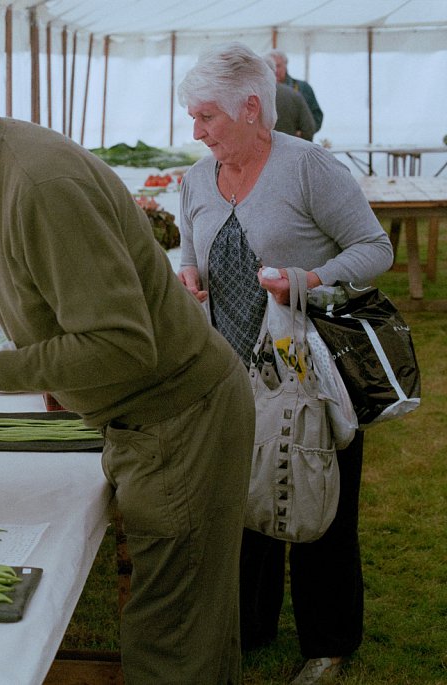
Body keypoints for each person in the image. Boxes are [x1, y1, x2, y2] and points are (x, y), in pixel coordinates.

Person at [0, 48, 254, 685]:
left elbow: (122, 344)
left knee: (172, 639)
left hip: (178, 418)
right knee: (181, 620)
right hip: (147, 418)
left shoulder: (40, 188)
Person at [176, 43, 393, 685]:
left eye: (206, 117)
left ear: (250, 108)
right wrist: (191, 275)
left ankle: (328, 641)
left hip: (311, 372)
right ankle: (252, 624)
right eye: (192, 118)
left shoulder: (308, 168)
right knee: (244, 500)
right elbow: (192, 249)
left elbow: (374, 247)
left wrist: (313, 277)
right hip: (231, 373)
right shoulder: (195, 177)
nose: (196, 131)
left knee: (320, 500)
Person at [267, 49, 323, 133]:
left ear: (285, 66)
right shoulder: (261, 91)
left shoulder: (303, 88)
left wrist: (304, 134)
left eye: (278, 66)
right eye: (271, 67)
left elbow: (317, 116)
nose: (275, 70)